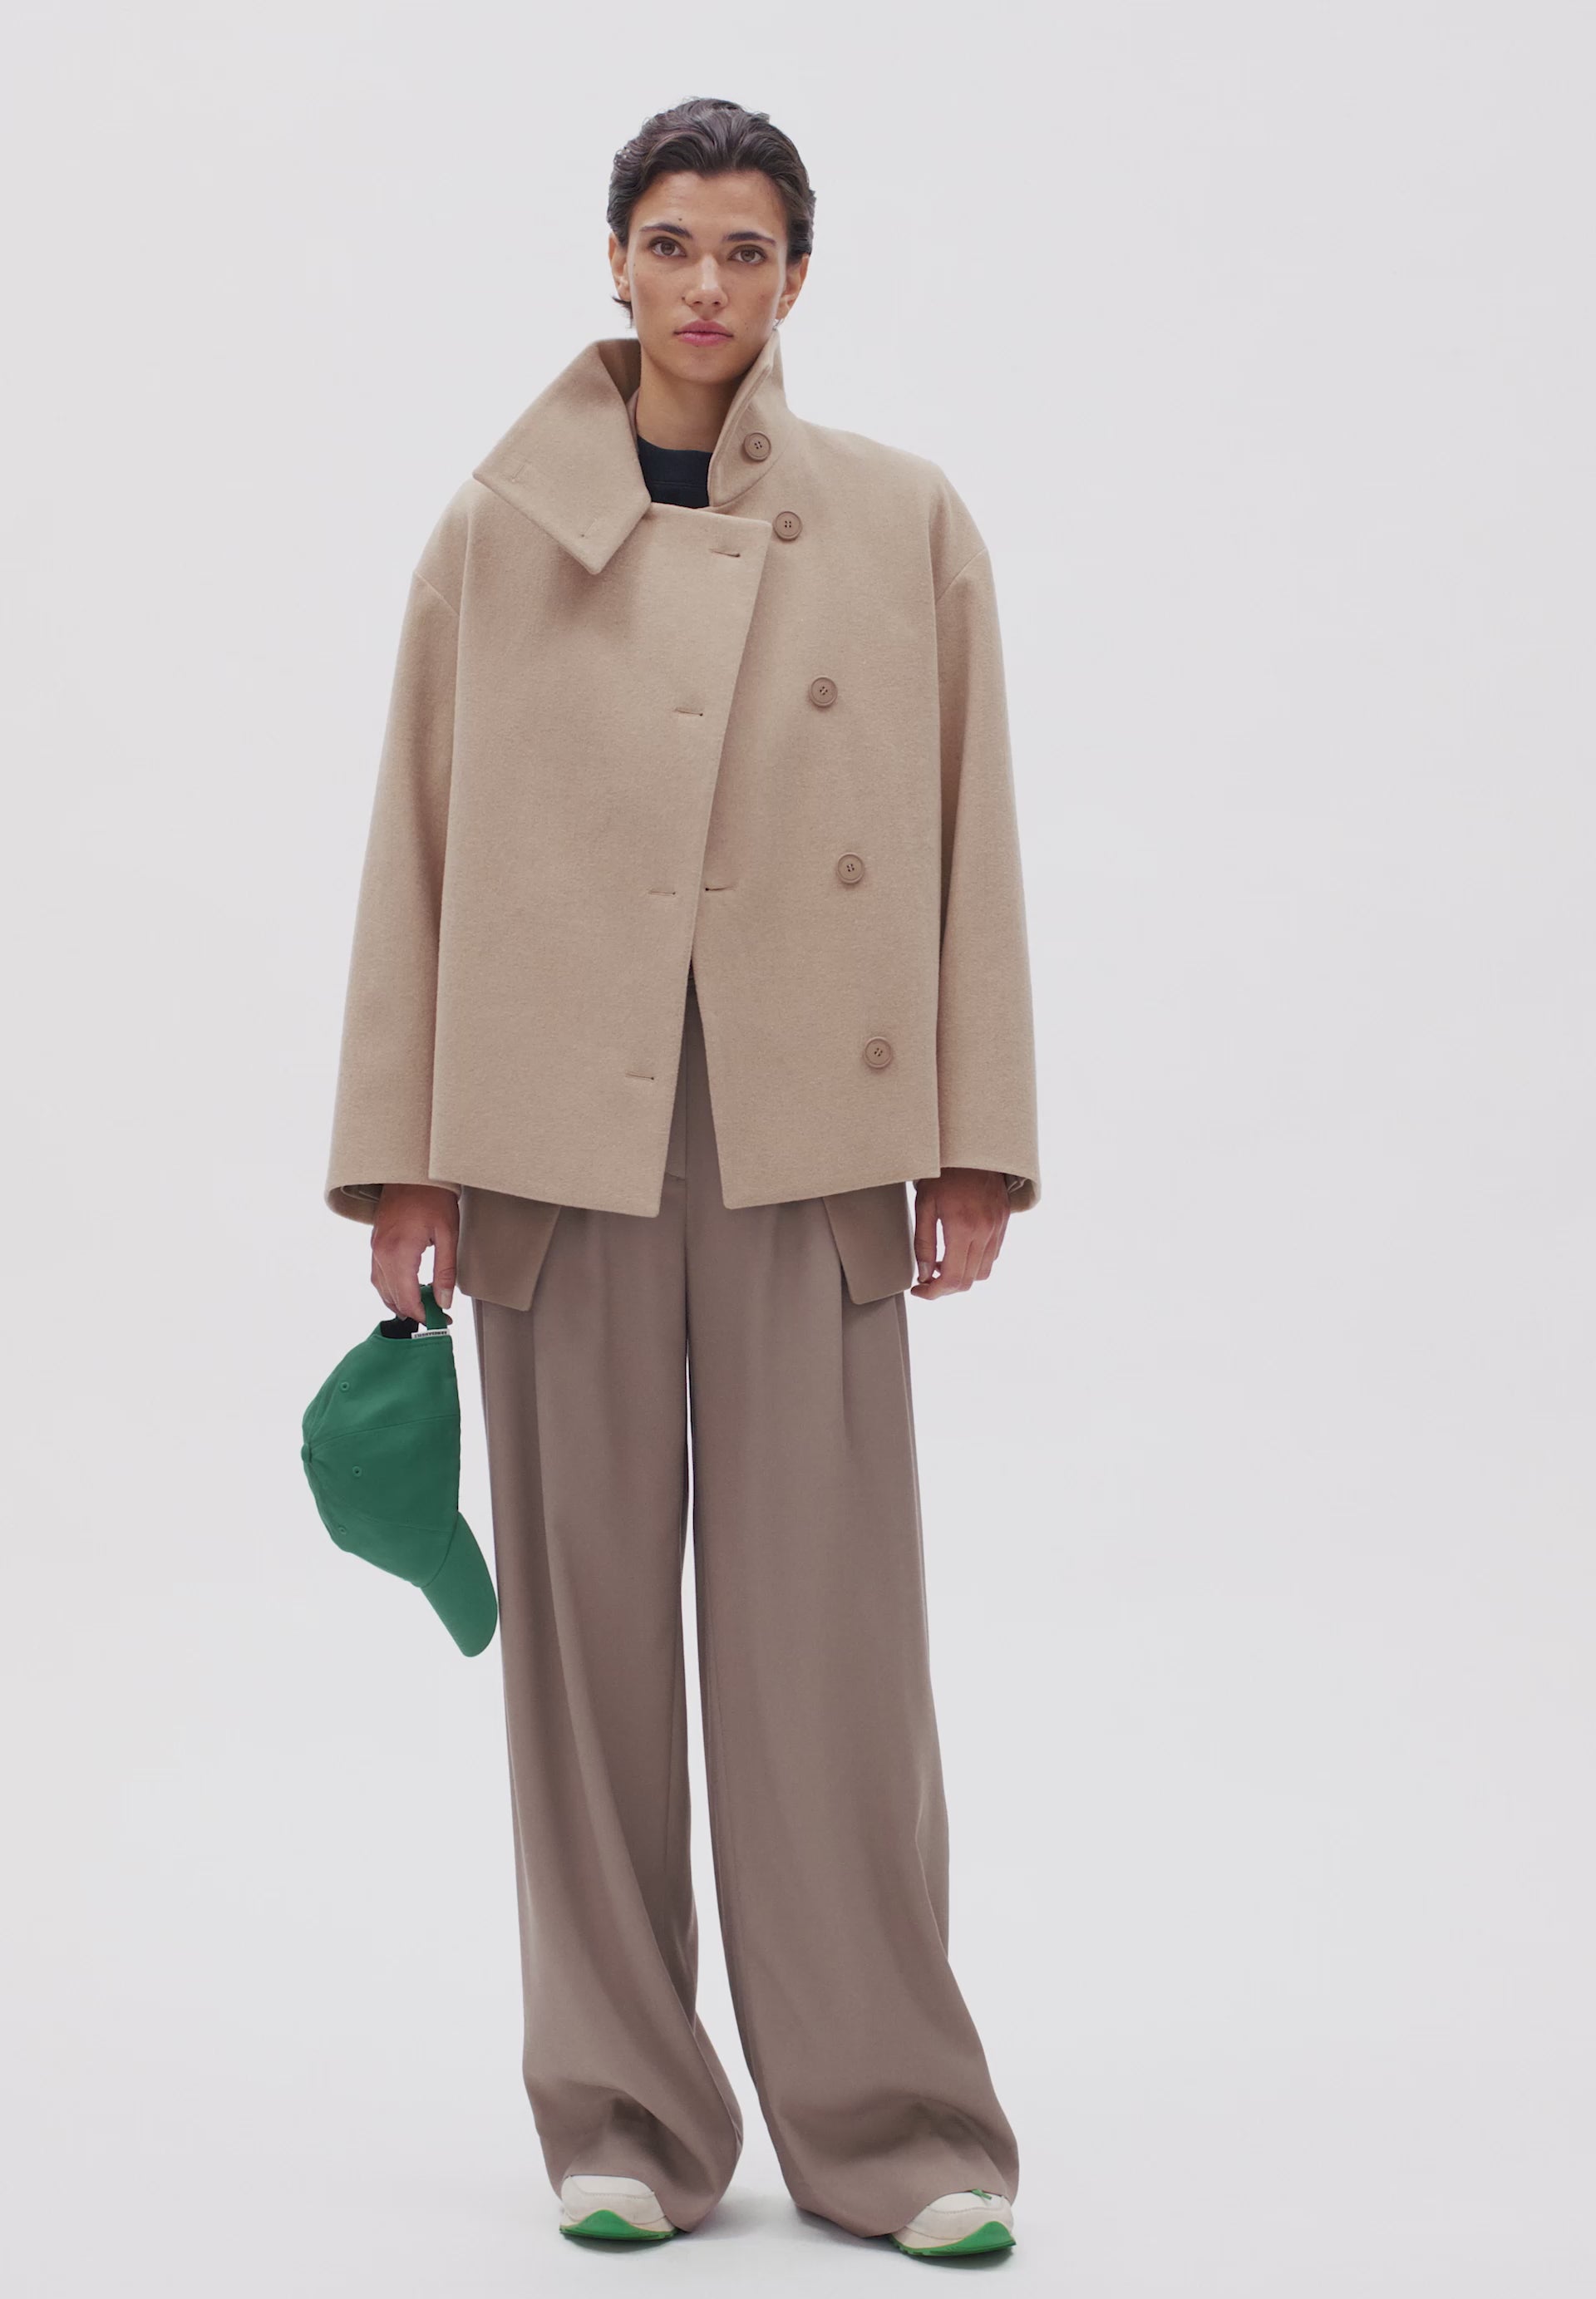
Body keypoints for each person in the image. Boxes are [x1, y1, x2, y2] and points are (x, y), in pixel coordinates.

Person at [322, 96, 1040, 2262]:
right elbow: (412, 844)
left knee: (831, 1650)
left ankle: (893, 2125)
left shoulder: (902, 522)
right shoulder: (497, 527)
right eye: (669, 242)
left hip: (814, 1127)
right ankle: (622, 2116)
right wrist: (401, 1167)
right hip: (553, 1134)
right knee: (588, 1658)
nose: (705, 285)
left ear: (799, 277)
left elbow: (968, 831)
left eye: (745, 249)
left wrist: (977, 1138)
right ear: (614, 262)